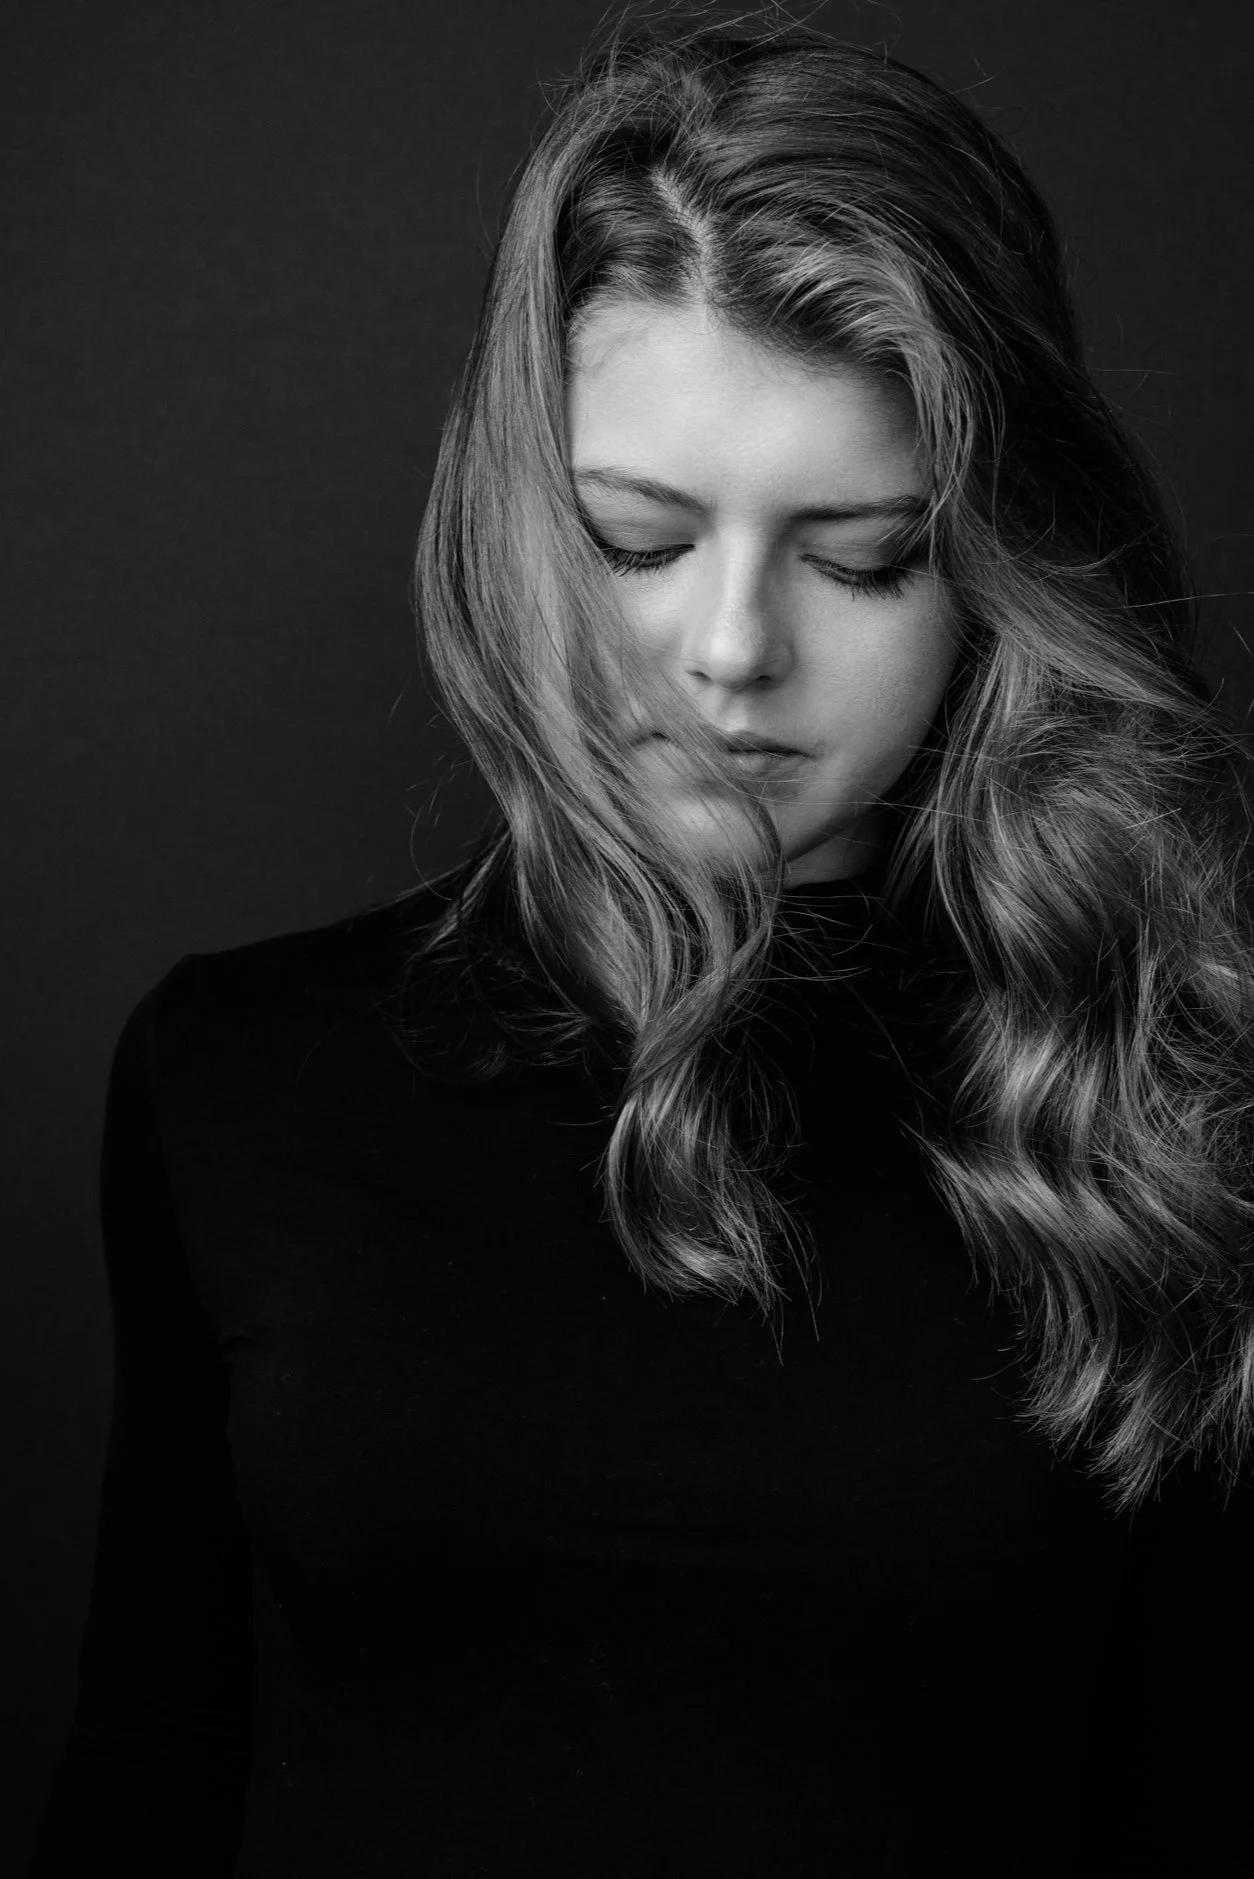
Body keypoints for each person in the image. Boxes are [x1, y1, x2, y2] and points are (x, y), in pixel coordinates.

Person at [29, 7, 1254, 1875]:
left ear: (1001, 557)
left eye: (860, 555)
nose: (731, 653)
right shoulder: (236, 1074)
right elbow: (149, 1765)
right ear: (525, 515)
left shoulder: (1173, 1102)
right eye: (636, 539)